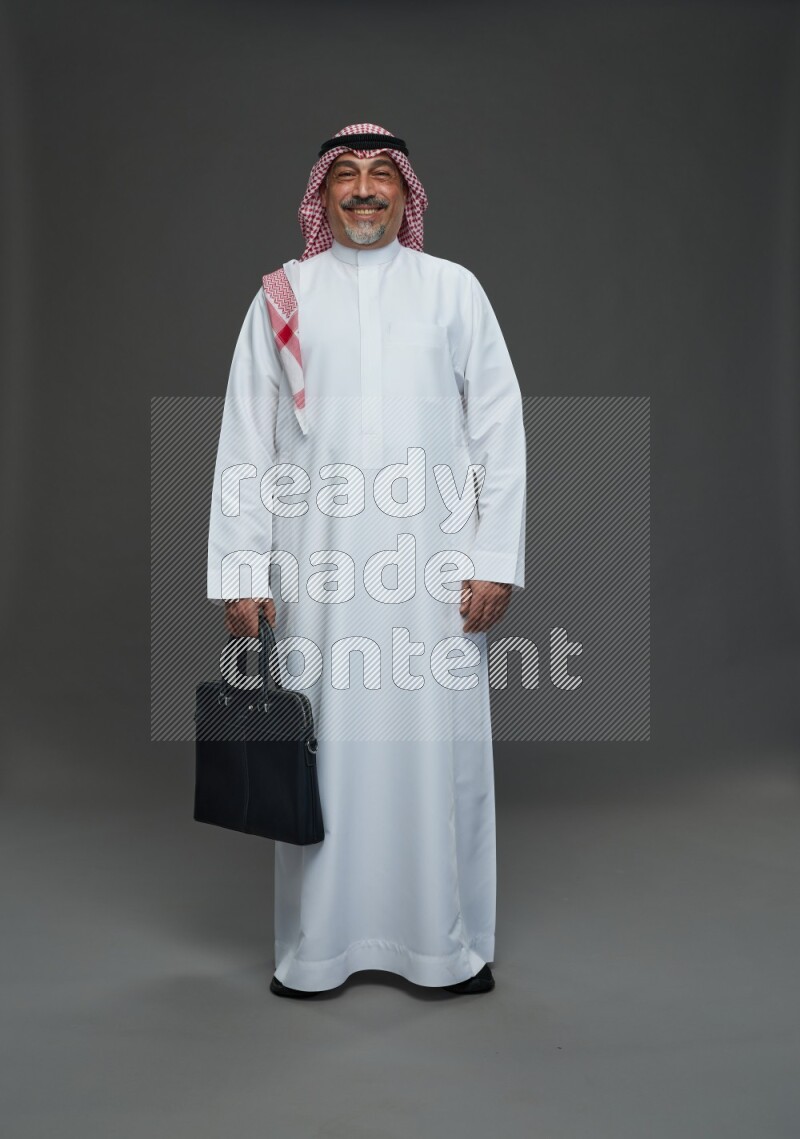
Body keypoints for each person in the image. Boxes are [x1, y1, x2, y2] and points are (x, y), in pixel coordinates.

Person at [206, 122, 526, 998]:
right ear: (321, 193)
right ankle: (319, 950)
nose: (362, 190)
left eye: (381, 174)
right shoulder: (283, 297)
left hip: (436, 574)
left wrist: (496, 557)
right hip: (319, 574)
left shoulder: (454, 291)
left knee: (439, 755)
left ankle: (446, 948)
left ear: (405, 193)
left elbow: (500, 430)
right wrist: (241, 571)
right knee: (325, 753)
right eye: (345, 174)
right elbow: (247, 442)